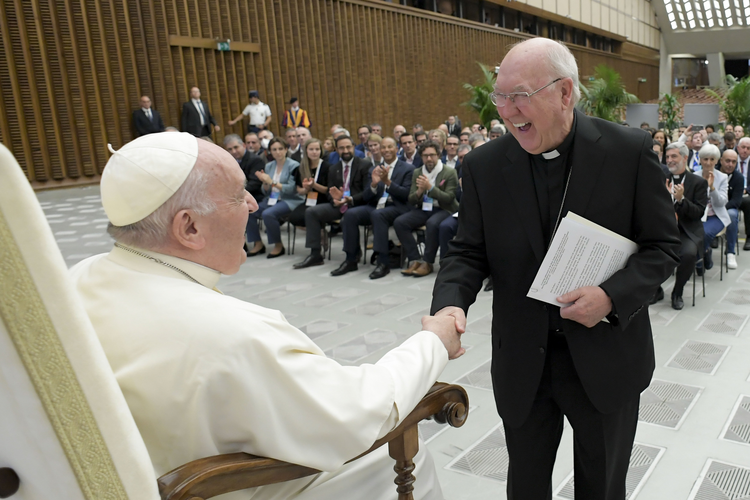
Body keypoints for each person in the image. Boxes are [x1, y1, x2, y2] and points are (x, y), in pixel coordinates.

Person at [70, 131, 462, 500]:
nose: (253, 204)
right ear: (189, 227)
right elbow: (360, 412)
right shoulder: (232, 332)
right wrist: (434, 342)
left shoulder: (76, 279)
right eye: (238, 194)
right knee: (398, 453)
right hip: (211, 487)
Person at [431, 38, 680, 499]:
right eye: (500, 96)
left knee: (602, 488)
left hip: (606, 360)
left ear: (565, 92)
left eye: (519, 95)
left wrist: (610, 296)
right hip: (524, 362)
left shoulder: (628, 153)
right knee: (524, 488)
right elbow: (466, 253)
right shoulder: (483, 166)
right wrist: (448, 307)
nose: (507, 110)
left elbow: (663, 247)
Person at [292, 135, 371, 269]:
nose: (345, 150)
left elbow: (367, 191)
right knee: (312, 212)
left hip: (357, 204)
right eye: (341, 148)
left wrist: (349, 199)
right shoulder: (334, 168)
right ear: (336, 150)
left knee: (348, 217)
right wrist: (335, 199)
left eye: (348, 147)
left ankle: (351, 257)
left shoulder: (365, 164)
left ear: (353, 147)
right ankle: (315, 254)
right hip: (338, 205)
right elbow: (330, 190)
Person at [395, 140, 458, 278]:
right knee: (400, 222)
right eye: (425, 155)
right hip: (424, 208)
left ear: (439, 155)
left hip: (444, 209)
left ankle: (428, 262)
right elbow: (411, 199)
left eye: (432, 155)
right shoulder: (417, 172)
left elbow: (449, 198)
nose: (429, 158)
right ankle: (415, 258)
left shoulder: (449, 172)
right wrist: (419, 191)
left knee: (433, 223)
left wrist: (430, 188)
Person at [658, 142, 707, 309]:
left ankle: (677, 292)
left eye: (674, 156)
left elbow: (698, 212)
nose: (670, 160)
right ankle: (656, 289)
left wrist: (681, 200)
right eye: (668, 157)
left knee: (688, 254)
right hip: (663, 229)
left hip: (687, 231)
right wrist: (664, 198)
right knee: (646, 249)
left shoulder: (698, 182)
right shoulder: (660, 179)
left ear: (685, 158)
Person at [245, 138, 303, 258]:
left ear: (286, 149)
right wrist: (265, 183)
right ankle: (258, 243)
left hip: (290, 199)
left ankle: (278, 245)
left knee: (268, 214)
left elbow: (292, 189)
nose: (278, 152)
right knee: (248, 211)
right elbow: (264, 190)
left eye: (280, 149)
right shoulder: (269, 166)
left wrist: (271, 181)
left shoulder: (294, 165)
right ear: (270, 151)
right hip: (272, 198)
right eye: (274, 149)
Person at [697, 144, 729, 272]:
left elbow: (722, 202)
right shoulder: (695, 175)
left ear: (716, 160)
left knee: (704, 233)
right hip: (698, 215)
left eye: (712, 159)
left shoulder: (722, 177)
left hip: (716, 216)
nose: (708, 162)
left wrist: (712, 188)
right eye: (705, 159)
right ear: (700, 160)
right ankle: (704, 252)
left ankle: (698, 259)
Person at [288, 138, 330, 227]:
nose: (314, 152)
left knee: (311, 215)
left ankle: (319, 233)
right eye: (311, 149)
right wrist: (306, 189)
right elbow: (299, 190)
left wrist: (314, 185)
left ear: (321, 151)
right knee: (294, 218)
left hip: (324, 201)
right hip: (310, 201)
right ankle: (319, 232)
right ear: (306, 151)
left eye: (317, 149)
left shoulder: (328, 167)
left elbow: (328, 190)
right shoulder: (301, 168)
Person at [223, 134, 265, 203]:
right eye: (230, 149)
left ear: (243, 145)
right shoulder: (228, 161)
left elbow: (254, 183)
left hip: (253, 197)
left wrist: (235, 192)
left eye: (236, 147)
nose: (234, 151)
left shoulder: (255, 160)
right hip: (235, 197)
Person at [720, 149, 742, 268]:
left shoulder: (738, 178)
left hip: (727, 208)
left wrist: (720, 207)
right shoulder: (714, 173)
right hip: (710, 206)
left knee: (733, 215)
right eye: (727, 161)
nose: (730, 164)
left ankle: (730, 252)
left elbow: (736, 201)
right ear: (721, 160)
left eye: (734, 162)